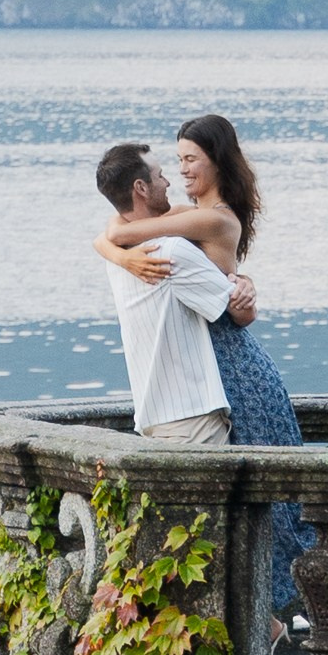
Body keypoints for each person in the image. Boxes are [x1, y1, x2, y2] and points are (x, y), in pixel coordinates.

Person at [93, 116, 310, 597]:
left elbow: (120, 228)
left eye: (191, 159)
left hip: (230, 364)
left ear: (217, 160)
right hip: (205, 362)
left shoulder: (208, 218)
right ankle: (268, 616)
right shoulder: (177, 221)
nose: (180, 171)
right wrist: (117, 254)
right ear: (143, 186)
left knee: (265, 502)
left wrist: (114, 251)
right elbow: (118, 226)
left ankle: (272, 612)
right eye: (175, 162)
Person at [90, 141, 236, 442]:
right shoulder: (171, 251)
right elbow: (239, 310)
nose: (169, 181)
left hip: (153, 416)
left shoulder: (119, 256)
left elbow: (108, 235)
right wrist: (243, 285)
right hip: (194, 418)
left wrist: (118, 254)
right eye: (160, 175)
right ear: (141, 188)